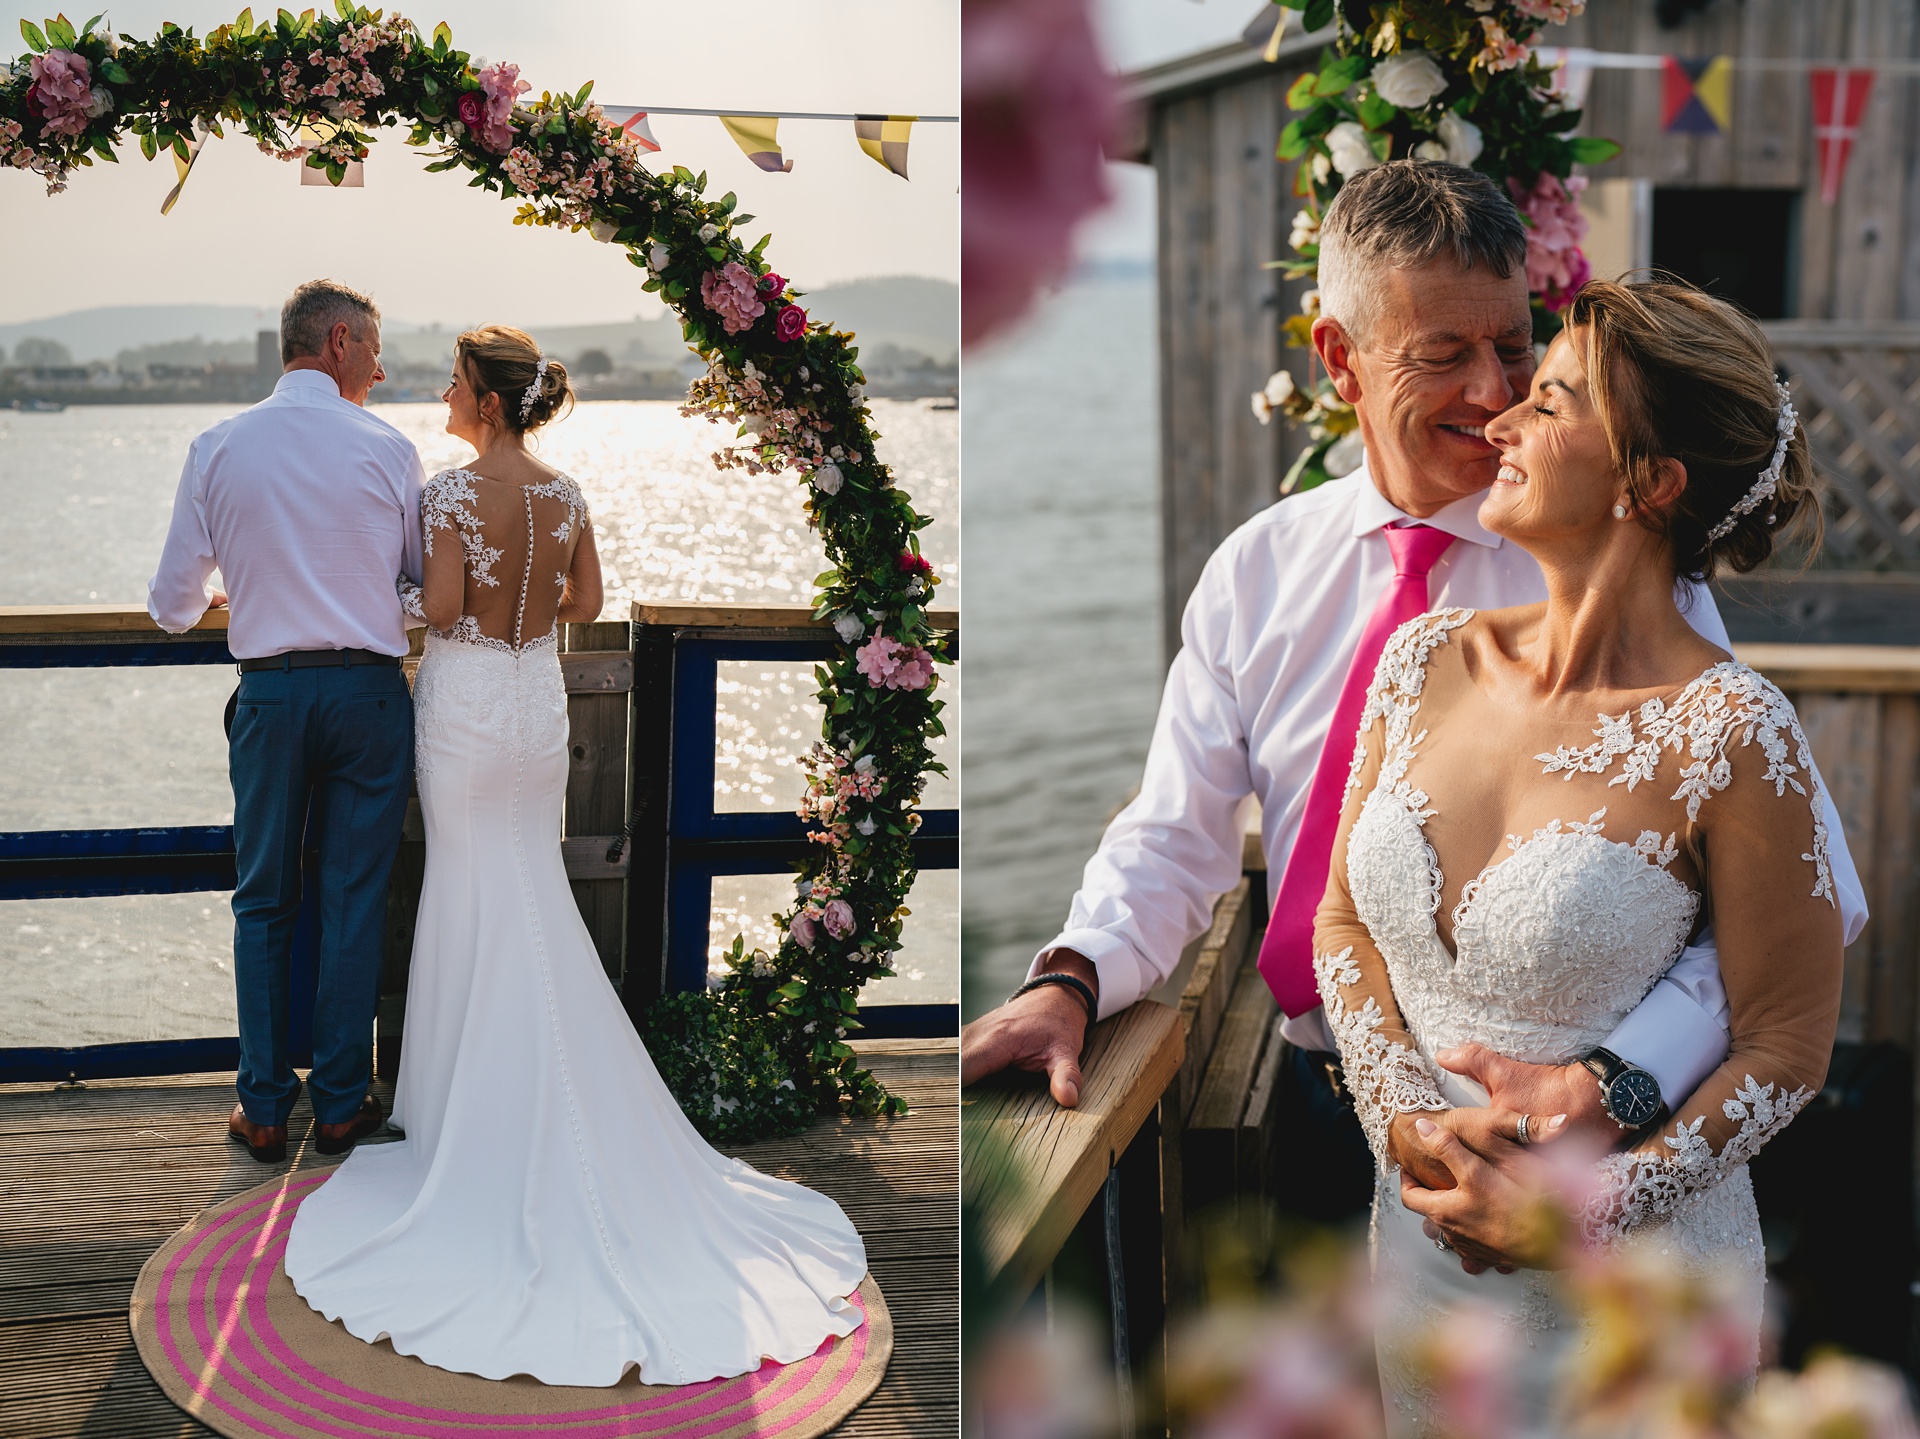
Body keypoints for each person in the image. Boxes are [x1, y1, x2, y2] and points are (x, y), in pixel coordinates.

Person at [959, 161, 1865, 1266]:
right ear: (1340, 358)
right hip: (1308, 1090)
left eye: (1517, 351)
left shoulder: (1647, 595)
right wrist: (1072, 975)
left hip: (1575, 1147)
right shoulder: (1258, 572)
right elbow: (1174, 834)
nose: (1494, 397)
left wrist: (1604, 1092)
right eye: (1444, 356)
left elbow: (1800, 913)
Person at [283, 325, 869, 1387]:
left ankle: (467, 1110)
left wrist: (390, 602)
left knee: (470, 889)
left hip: (464, 709)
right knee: (528, 882)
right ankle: (532, 1095)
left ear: (491, 403)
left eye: (457, 382)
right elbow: (587, 603)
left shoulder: (450, 494)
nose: (445, 394)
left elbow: (446, 608)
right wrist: (528, 613)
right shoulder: (568, 493)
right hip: (535, 705)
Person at [1318, 276, 1843, 1429]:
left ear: (1650, 483)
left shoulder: (1733, 732)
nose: (1499, 419)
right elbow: (1343, 917)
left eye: (1548, 402)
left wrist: (1595, 1206)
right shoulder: (1419, 659)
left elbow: (1787, 1043)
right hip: (1420, 1256)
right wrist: (1402, 1115)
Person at [149, 278, 422, 1165]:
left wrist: (242, 593)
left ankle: (263, 1107)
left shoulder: (217, 446)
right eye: (373, 349)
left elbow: (170, 607)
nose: (379, 370)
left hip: (270, 694)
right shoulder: (387, 447)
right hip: (369, 696)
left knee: (264, 900)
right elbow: (420, 587)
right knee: (350, 898)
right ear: (338, 341)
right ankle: (342, 1103)